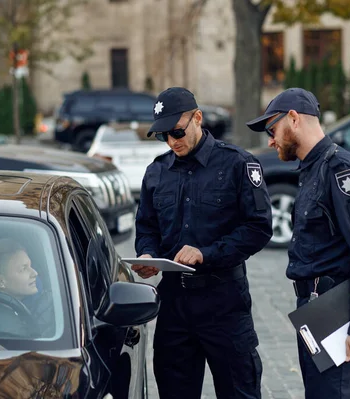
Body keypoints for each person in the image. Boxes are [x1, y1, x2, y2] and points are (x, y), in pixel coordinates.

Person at [246, 88, 350, 399]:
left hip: (337, 310)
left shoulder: (341, 170)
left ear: (293, 119)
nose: (270, 140)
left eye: (272, 130)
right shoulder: (313, 169)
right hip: (315, 310)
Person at [133, 87, 273, 399]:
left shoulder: (237, 164)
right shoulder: (156, 172)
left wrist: (206, 254)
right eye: (163, 135)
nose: (172, 141)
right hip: (173, 305)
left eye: (177, 131)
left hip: (224, 302)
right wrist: (147, 253)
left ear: (198, 118)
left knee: (240, 391)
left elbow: (258, 228)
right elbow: (146, 227)